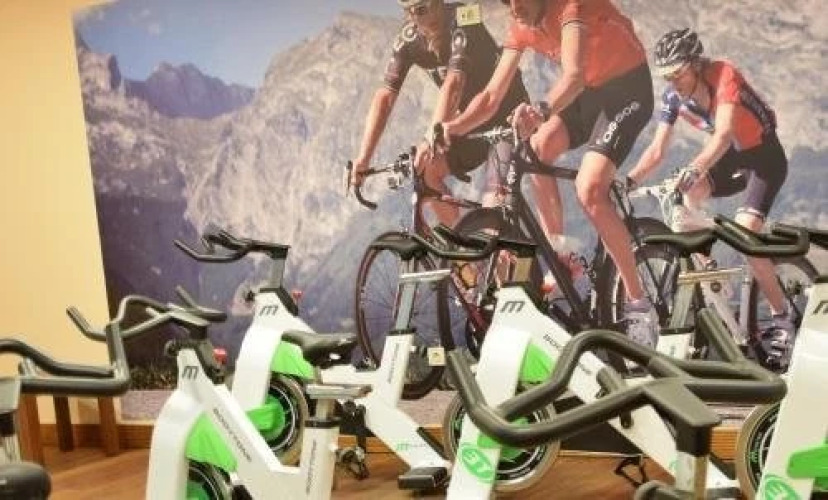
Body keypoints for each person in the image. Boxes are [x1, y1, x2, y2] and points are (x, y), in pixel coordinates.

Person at [439, 0, 658, 346]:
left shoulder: (571, 7)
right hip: (589, 94)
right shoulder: (520, 24)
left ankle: (638, 304)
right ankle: (559, 252)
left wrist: (540, 110)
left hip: (627, 89)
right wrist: (450, 128)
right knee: (535, 149)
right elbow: (491, 96)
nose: (513, 7)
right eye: (505, 1)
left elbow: (572, 76)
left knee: (589, 189)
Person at [627, 28, 794, 366]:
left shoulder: (723, 75)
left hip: (764, 158)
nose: (673, 82)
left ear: (695, 64)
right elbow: (657, 149)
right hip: (731, 159)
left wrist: (694, 168)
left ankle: (784, 320)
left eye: (677, 73)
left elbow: (723, 135)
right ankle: (711, 274)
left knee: (747, 237)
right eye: (667, 76)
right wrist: (629, 180)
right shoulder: (674, 97)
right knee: (687, 198)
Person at [350, 0, 529, 225]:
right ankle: (461, 244)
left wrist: (429, 140)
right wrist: (363, 159)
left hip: (509, 116)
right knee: (426, 172)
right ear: (409, 15)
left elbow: (454, 84)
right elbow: (385, 98)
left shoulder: (466, 16)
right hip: (469, 122)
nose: (432, 13)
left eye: (435, 3)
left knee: (493, 210)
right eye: (421, 10)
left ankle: (503, 239)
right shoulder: (408, 40)